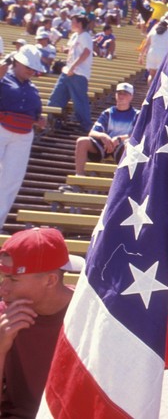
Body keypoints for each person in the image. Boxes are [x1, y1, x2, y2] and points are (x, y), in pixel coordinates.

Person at [0, 228, 85, 418]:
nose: (3, 289)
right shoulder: (3, 316)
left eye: (13, 279)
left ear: (50, 280)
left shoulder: (90, 315)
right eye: (3, 277)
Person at [60, 83, 139, 189]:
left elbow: (138, 133)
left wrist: (119, 139)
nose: (121, 96)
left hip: (122, 148)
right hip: (105, 146)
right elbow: (92, 132)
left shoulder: (137, 114)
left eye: (125, 94)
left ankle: (128, 182)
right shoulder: (108, 112)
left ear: (131, 97)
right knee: (82, 141)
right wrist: (103, 136)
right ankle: (79, 177)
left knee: (129, 144)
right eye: (119, 93)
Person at [0, 45, 45, 225]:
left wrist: (39, 119)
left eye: (32, 68)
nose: (31, 70)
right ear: (16, 62)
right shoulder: (3, 79)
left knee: (11, 181)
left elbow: (36, 114)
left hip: (23, 134)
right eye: (27, 66)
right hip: (2, 127)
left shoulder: (33, 89)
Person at [46, 15, 92, 133]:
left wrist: (73, 66)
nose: (71, 24)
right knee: (56, 97)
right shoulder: (75, 36)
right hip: (68, 71)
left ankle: (86, 126)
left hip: (78, 73)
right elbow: (75, 50)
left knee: (79, 101)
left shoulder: (85, 36)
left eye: (73, 22)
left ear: (80, 24)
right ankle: (55, 122)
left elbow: (86, 52)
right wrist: (65, 49)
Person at [139, 18, 168, 86]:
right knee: (160, 75)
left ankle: (150, 90)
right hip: (163, 54)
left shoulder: (153, 32)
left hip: (152, 53)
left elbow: (146, 44)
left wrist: (141, 56)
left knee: (151, 75)